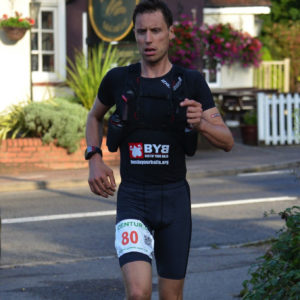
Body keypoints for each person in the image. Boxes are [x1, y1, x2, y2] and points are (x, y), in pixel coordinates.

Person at [85, 0, 234, 299]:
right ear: (135, 35)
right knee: (138, 293)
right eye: (141, 32)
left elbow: (227, 140)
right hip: (134, 199)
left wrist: (202, 124)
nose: (148, 39)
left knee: (170, 296)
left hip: (174, 199)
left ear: (170, 33)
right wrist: (94, 157)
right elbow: (94, 116)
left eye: (155, 31)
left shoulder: (190, 82)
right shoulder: (118, 79)